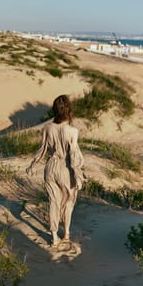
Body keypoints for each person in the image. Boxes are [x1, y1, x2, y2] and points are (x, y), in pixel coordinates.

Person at [26, 95, 84, 247]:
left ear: (55, 110)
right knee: (69, 203)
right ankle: (66, 233)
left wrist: (33, 164)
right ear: (69, 110)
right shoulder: (73, 131)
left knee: (54, 202)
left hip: (50, 167)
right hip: (66, 168)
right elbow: (73, 155)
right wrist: (78, 176)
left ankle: (54, 237)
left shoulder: (47, 128)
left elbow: (42, 149)